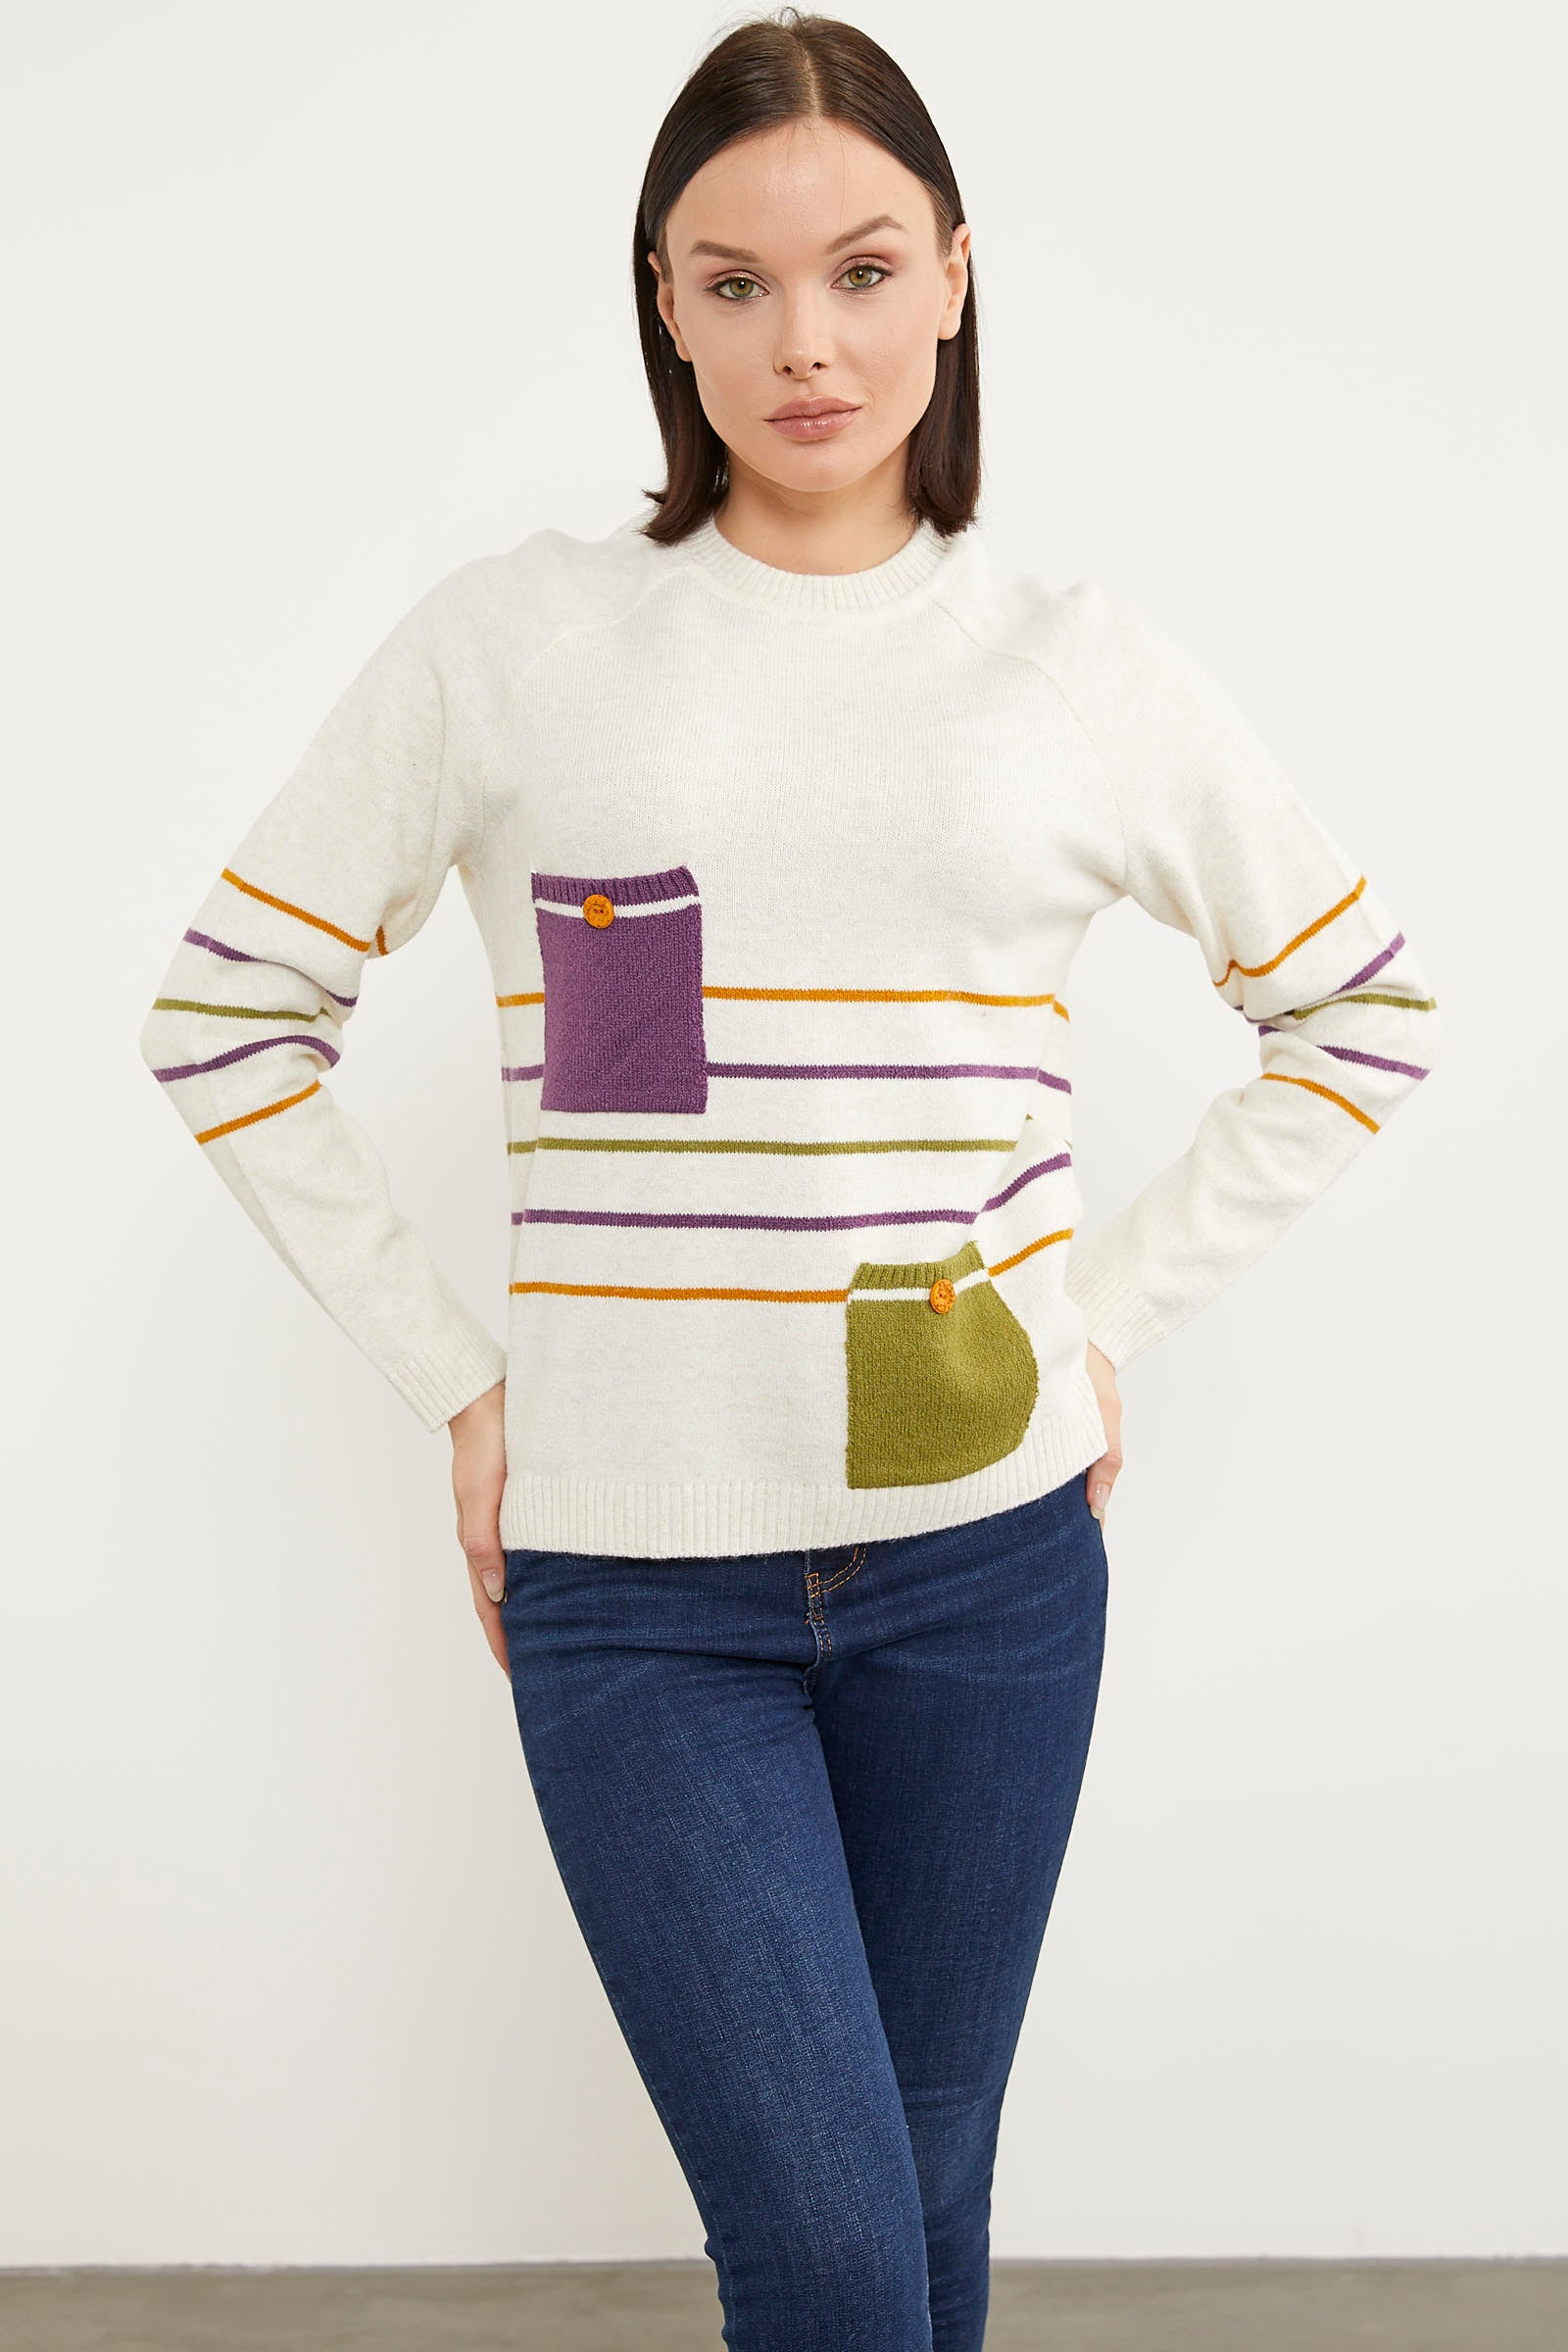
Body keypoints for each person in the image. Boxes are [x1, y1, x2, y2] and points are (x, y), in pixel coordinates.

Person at [137, 13, 1443, 2349]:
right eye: (732, 284)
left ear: (952, 274)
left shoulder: (1064, 666)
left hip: (990, 1569)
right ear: (663, 303)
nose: (803, 343)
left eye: (857, 270)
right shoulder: (518, 646)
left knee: (917, 2229)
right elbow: (228, 1015)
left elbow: (1358, 1009)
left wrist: (1096, 1317)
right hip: (635, 1590)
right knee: (830, 2261)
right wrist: (459, 1381)